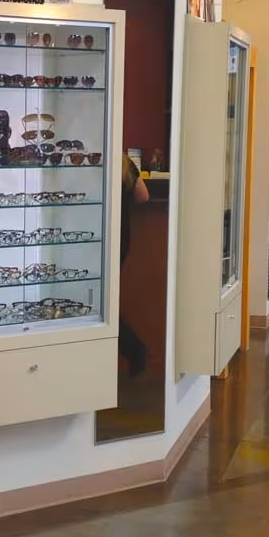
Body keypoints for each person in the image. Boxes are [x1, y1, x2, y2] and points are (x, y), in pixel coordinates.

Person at [119, 150, 150, 377]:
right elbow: (143, 196)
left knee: (95, 302)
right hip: (120, 237)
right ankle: (133, 349)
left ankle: (133, 349)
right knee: (104, 300)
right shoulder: (124, 163)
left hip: (92, 235)